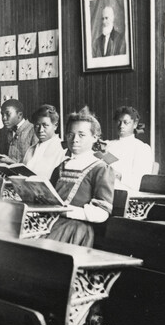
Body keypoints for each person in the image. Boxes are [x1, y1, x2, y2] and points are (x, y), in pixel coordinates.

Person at [44, 108, 115, 247]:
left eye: (81, 135)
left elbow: (102, 213)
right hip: (53, 221)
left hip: (77, 228)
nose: (75, 140)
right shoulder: (61, 167)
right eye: (71, 134)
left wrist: (68, 211)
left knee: (41, 245)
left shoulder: (100, 168)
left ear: (94, 138)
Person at [105, 106, 154, 191]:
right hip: (104, 189)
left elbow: (140, 181)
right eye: (119, 122)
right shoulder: (108, 145)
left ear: (134, 124)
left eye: (126, 122)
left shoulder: (141, 148)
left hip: (126, 192)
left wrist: (119, 175)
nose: (121, 126)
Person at [22, 105, 67, 178]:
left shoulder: (62, 149)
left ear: (55, 126)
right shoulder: (30, 149)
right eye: (37, 125)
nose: (40, 130)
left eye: (45, 125)